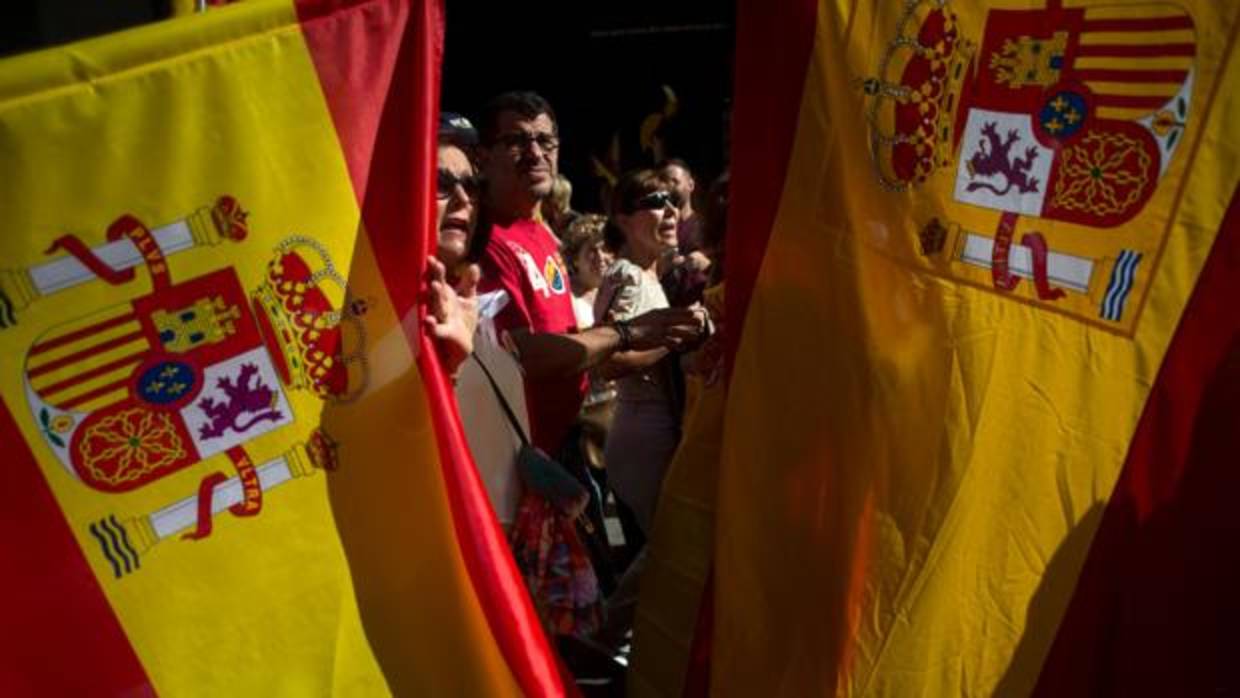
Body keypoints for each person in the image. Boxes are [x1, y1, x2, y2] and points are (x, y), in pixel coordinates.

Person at [473, 91, 705, 642]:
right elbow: (522, 353)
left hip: (555, 461)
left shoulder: (539, 235)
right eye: (516, 140)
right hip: (509, 471)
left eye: (545, 140)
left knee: (559, 630)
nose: (535, 152)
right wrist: (628, 331)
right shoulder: (488, 239)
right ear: (485, 156)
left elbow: (581, 352)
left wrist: (670, 334)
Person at [424, 112, 527, 529]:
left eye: (473, 185)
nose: (465, 199)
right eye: (442, 184)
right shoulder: (374, 314)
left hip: (514, 544)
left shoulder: (473, 302)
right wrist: (448, 370)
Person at [593, 169, 690, 536]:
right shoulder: (627, 275)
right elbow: (608, 364)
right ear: (622, 219)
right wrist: (673, 340)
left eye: (673, 201)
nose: (669, 211)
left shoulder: (648, 275)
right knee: (657, 557)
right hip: (643, 436)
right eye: (654, 202)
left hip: (655, 430)